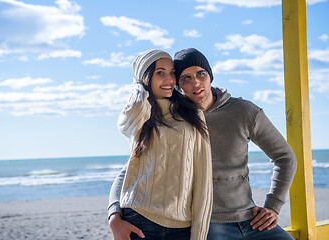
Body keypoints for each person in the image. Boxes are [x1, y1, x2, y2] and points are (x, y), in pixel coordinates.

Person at [108, 48, 297, 240]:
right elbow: (132, 170)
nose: (195, 82)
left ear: (210, 76)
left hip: (251, 218)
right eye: (186, 78)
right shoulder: (175, 119)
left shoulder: (244, 111)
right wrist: (114, 214)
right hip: (208, 224)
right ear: (178, 85)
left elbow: (285, 158)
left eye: (201, 74)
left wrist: (273, 205)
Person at [108, 49, 213, 240]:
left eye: (172, 73)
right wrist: (138, 84)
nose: (169, 80)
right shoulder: (139, 113)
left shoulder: (193, 114)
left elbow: (203, 180)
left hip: (182, 228)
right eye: (160, 73)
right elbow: (129, 119)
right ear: (145, 78)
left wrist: (199, 236)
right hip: (139, 220)